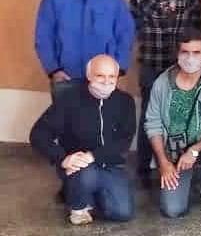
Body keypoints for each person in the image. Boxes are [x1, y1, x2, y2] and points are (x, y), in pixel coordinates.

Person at [30, 55, 136, 225]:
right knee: (86, 175)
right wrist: (62, 158)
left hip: (111, 165)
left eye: (112, 76)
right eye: (100, 75)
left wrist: (93, 156)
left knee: (122, 213)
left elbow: (124, 140)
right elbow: (39, 133)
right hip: (78, 165)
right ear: (89, 76)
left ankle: (85, 192)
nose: (106, 82)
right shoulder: (69, 99)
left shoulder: (125, 101)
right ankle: (77, 200)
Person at [131, 0, 201, 178]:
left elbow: (197, 26)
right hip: (152, 61)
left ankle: (181, 164)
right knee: (149, 115)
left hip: (182, 65)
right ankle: (144, 168)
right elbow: (133, 24)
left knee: (182, 113)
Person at [144, 28, 201, 217]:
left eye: (196, 53)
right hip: (173, 156)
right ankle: (185, 181)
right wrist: (163, 162)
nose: (190, 58)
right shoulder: (161, 83)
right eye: (185, 52)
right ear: (177, 55)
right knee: (172, 210)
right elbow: (153, 124)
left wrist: (194, 151)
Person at [34, 0, 134, 101]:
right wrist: (54, 70)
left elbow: (125, 34)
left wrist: (118, 68)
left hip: (103, 79)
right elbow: (43, 36)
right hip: (65, 77)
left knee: (101, 117)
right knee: (65, 117)